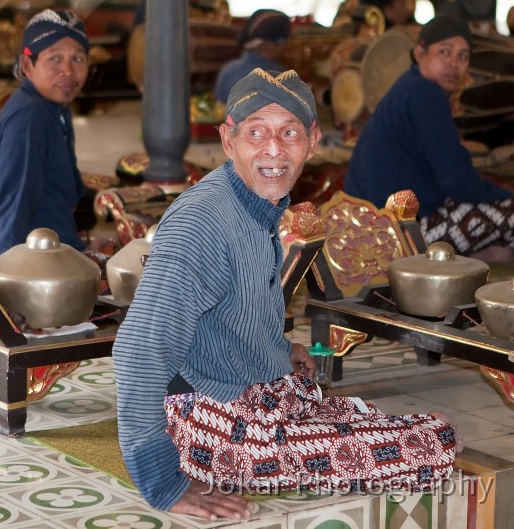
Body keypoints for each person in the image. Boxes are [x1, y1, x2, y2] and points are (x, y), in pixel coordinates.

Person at [113, 67, 462, 521]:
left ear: (312, 141)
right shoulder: (201, 222)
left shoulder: (257, 204)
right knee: (436, 441)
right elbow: (138, 352)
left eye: (289, 132)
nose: (273, 150)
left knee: (379, 419)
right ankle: (213, 458)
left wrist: (281, 348)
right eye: (255, 132)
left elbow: (230, 311)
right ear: (228, 140)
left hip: (256, 391)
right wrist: (163, 483)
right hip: (210, 423)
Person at [344, 16, 514, 262]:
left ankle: (487, 259)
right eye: (445, 52)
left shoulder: (410, 85)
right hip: (396, 234)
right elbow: (458, 182)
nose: (454, 63)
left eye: (463, 56)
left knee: (492, 231)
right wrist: (506, 194)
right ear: (420, 52)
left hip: (368, 226)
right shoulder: (425, 95)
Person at [0, 9, 90, 260]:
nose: (67, 71)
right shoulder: (29, 118)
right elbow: (13, 208)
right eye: (54, 59)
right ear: (27, 65)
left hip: (51, 249)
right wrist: (3, 283)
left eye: (78, 59)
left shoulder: (54, 107)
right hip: (27, 265)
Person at [213, 9, 291, 104]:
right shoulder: (280, 77)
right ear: (271, 46)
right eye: (287, 40)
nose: (288, 46)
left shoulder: (228, 70)